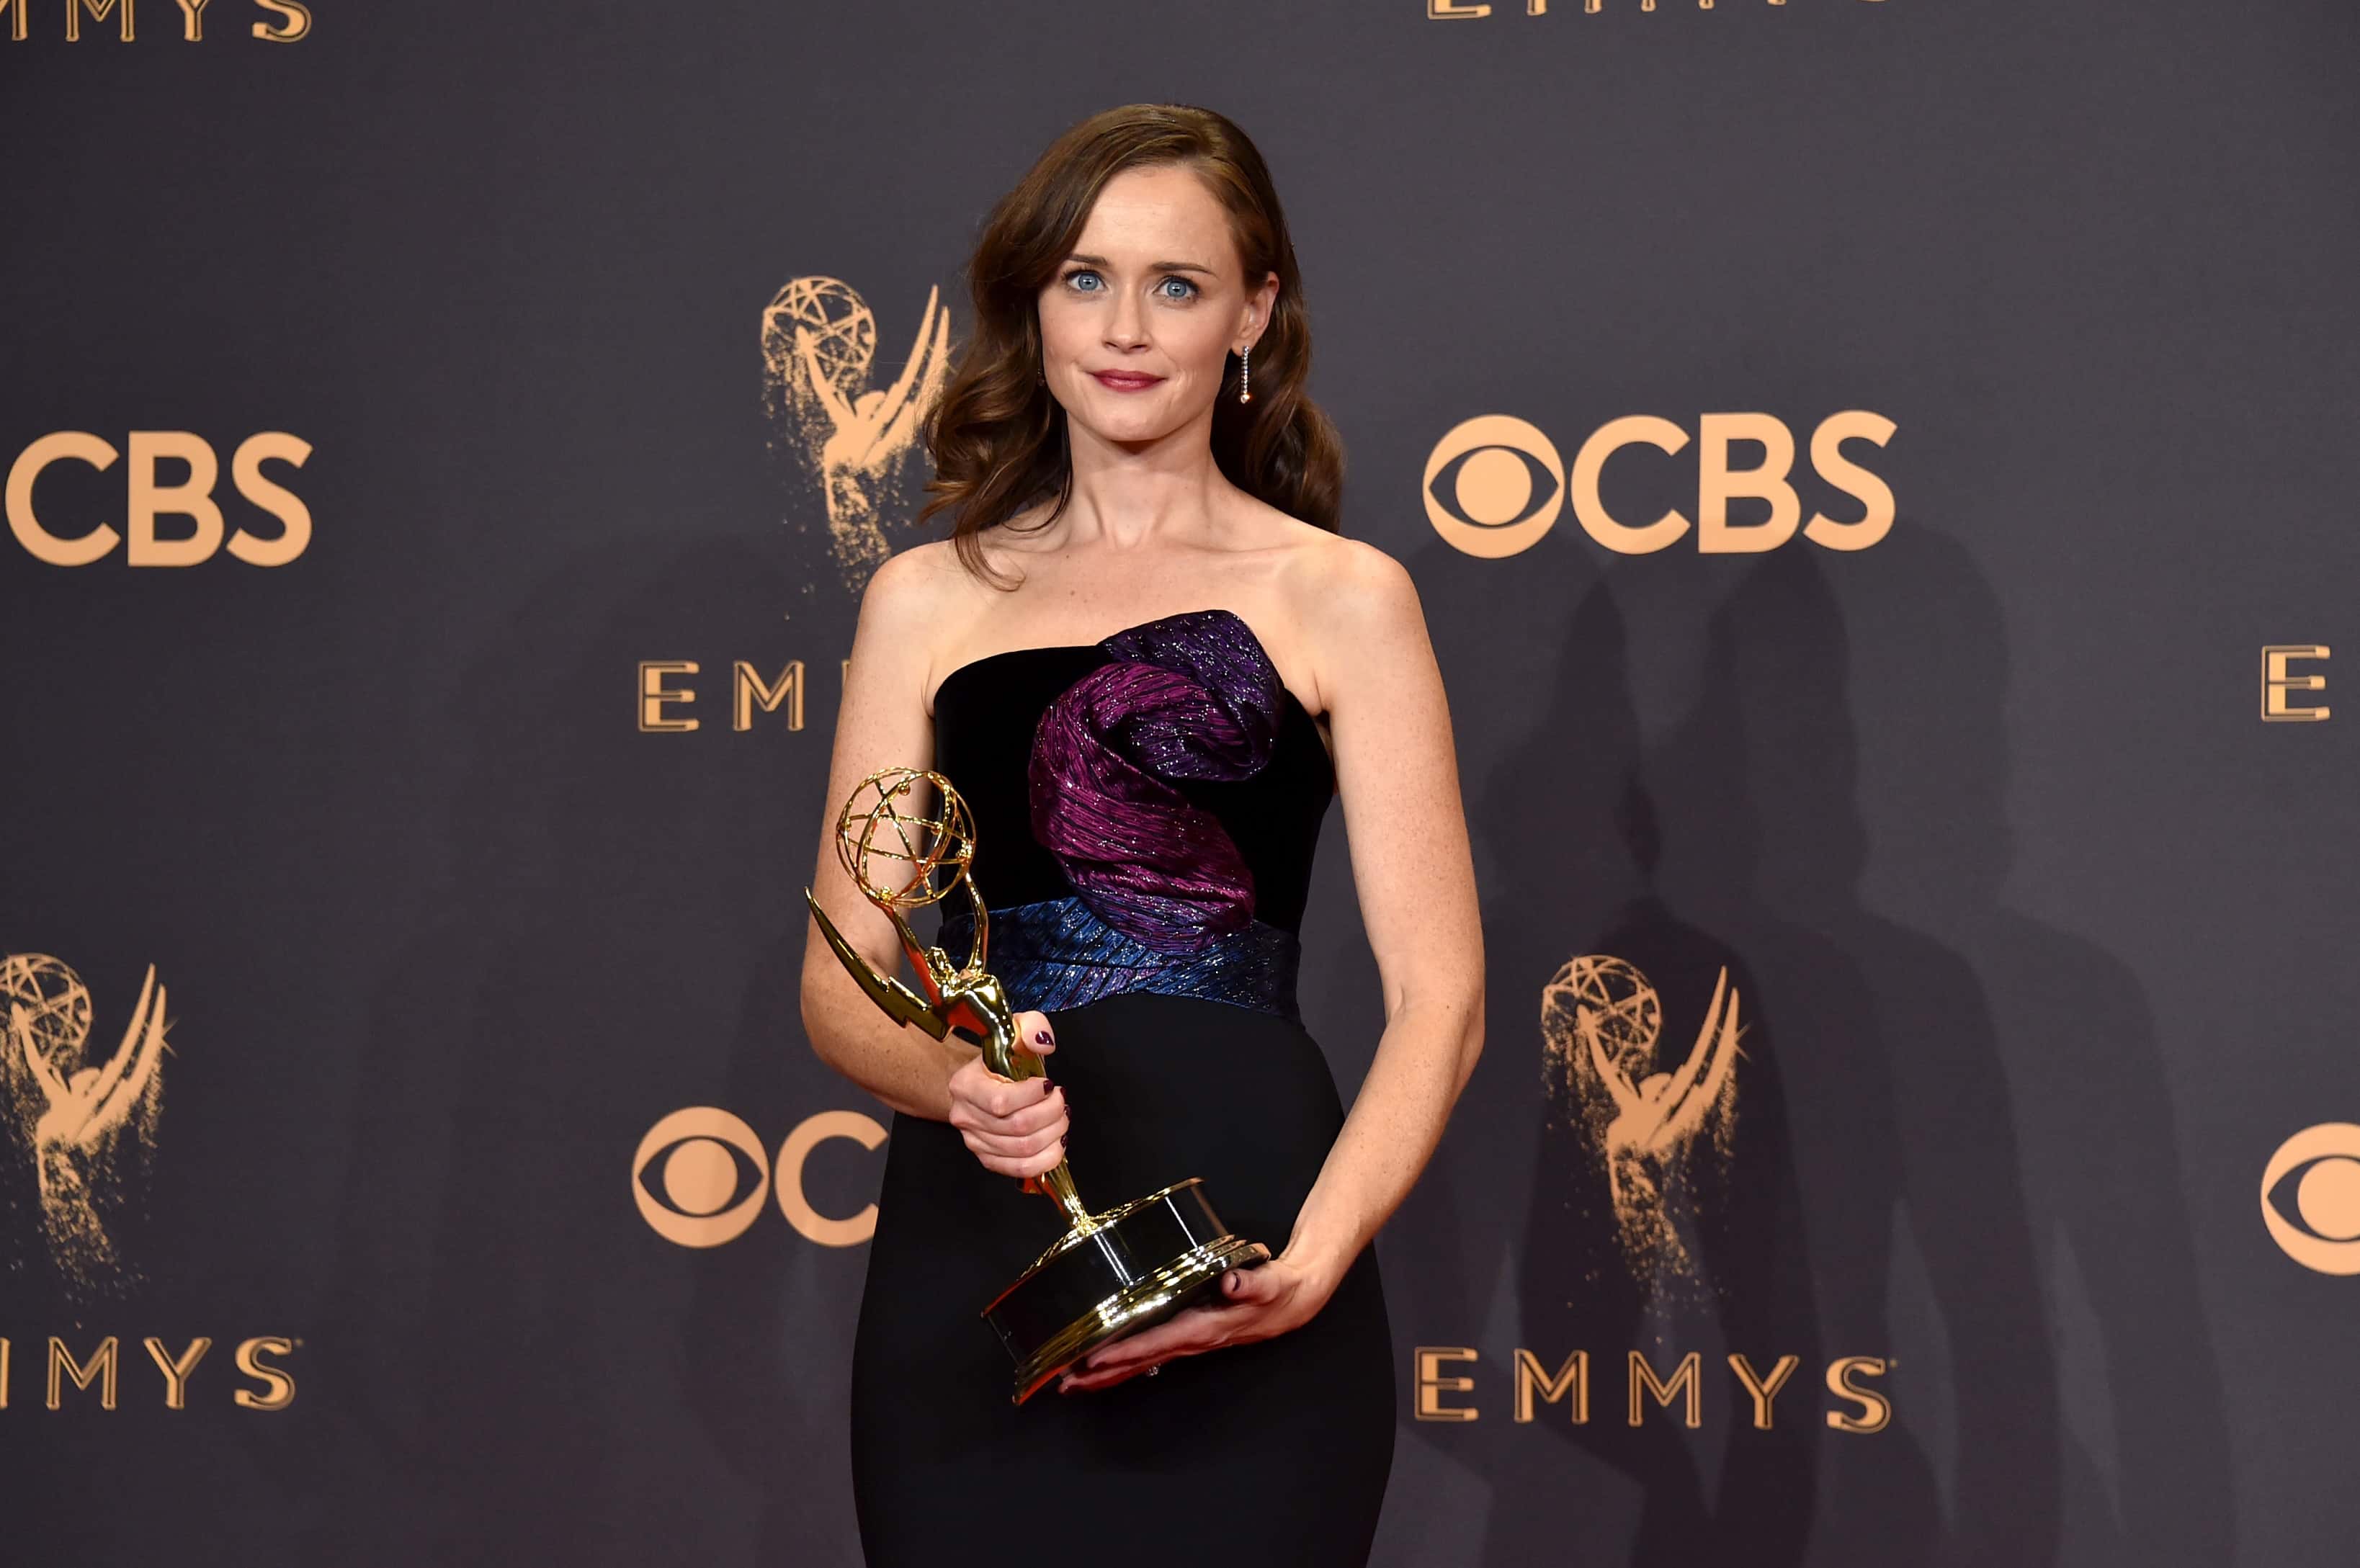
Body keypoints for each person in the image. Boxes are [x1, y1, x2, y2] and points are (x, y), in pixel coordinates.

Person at [801, 102, 1484, 1568]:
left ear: (1254, 313)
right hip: (978, 1251)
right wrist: (951, 1084)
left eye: (1177, 284)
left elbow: (1444, 1001)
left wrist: (1313, 1261)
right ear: (1030, 303)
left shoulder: (1343, 595)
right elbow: (838, 983)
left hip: (1250, 1221)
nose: (1126, 327)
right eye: (1084, 278)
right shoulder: (925, 599)